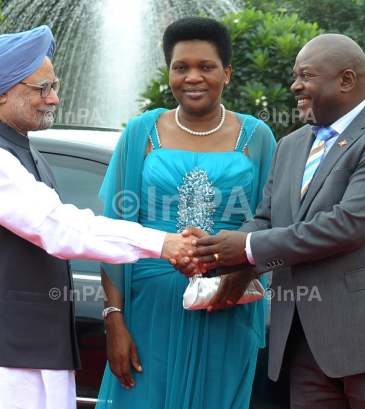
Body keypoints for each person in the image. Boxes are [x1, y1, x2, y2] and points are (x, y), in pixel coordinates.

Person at [0, 25, 194, 409]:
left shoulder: (17, 147)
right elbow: (57, 227)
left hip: (26, 347)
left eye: (54, 85)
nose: (54, 98)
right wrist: (161, 242)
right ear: (2, 92)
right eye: (42, 88)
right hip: (1, 354)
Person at [187, 34, 365, 408]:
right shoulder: (290, 145)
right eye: (295, 76)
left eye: (306, 75)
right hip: (304, 347)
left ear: (346, 80)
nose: (295, 85)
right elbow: (267, 219)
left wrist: (248, 248)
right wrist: (213, 250)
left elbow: (347, 225)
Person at [95, 17, 276, 409]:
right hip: (148, 310)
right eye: (181, 67)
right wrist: (114, 320)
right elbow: (113, 232)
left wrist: (243, 272)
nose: (193, 77)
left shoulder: (257, 137)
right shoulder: (141, 132)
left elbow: (274, 225)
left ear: (227, 73)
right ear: (169, 72)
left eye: (206, 66)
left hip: (227, 303)